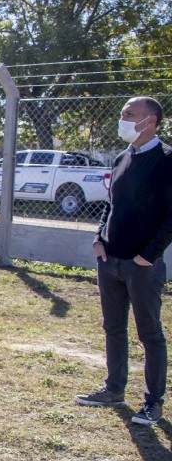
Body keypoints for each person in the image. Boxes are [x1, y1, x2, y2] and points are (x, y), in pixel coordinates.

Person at [76, 96, 171, 426]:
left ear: (152, 120)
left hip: (142, 266)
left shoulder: (166, 160)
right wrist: (99, 238)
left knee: (150, 335)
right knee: (113, 328)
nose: (124, 119)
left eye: (130, 114)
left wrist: (148, 255)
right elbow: (110, 204)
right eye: (122, 114)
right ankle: (114, 389)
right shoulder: (121, 157)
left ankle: (152, 402)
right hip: (110, 261)